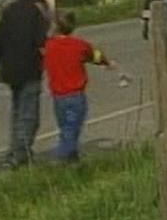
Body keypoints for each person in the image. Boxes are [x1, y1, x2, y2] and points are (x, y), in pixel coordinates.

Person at [0, 0, 55, 169]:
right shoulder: (40, 9)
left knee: (17, 111)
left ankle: (14, 151)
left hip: (8, 68)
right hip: (29, 67)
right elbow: (43, 42)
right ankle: (20, 155)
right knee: (28, 115)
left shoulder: (10, 7)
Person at [42, 11, 118, 162]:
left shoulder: (49, 46)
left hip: (58, 96)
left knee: (65, 127)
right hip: (75, 95)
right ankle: (62, 158)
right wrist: (107, 63)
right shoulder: (78, 45)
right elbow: (96, 56)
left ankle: (72, 159)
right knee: (72, 129)